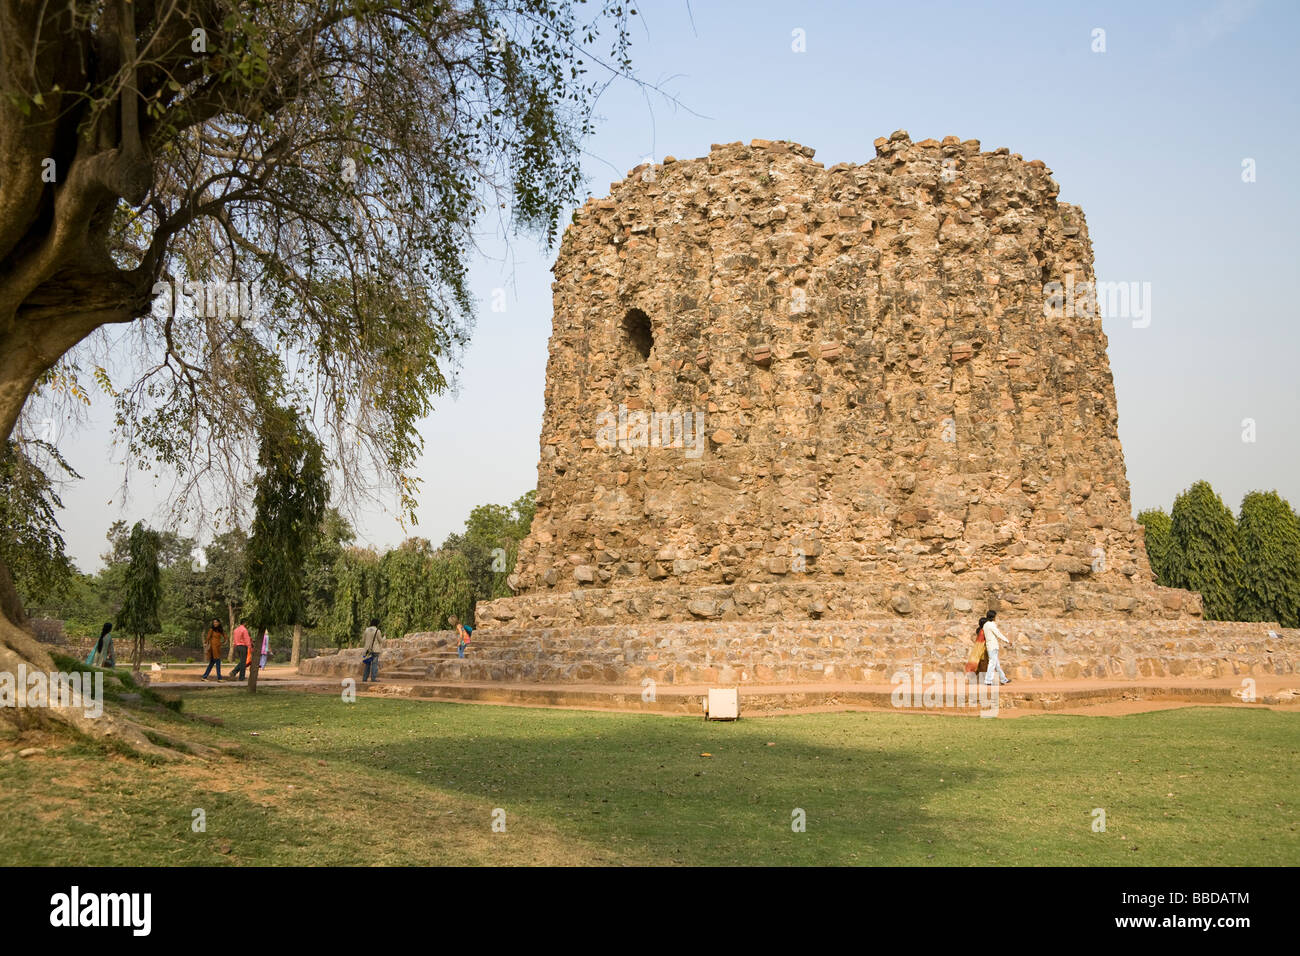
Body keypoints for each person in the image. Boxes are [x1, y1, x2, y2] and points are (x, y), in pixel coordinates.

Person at [981, 610, 1013, 685]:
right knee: (992, 663)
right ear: (993, 617)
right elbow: (998, 634)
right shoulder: (991, 625)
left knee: (996, 664)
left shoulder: (985, 625)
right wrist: (1007, 641)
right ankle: (988, 680)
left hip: (990, 646)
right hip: (993, 646)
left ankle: (1003, 679)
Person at [360, 618, 383, 683]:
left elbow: (363, 640)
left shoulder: (366, 630)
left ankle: (364, 678)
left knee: (367, 664)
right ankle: (373, 678)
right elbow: (380, 641)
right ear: (376, 624)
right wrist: (384, 638)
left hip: (367, 650)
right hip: (375, 650)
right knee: (374, 665)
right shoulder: (377, 631)